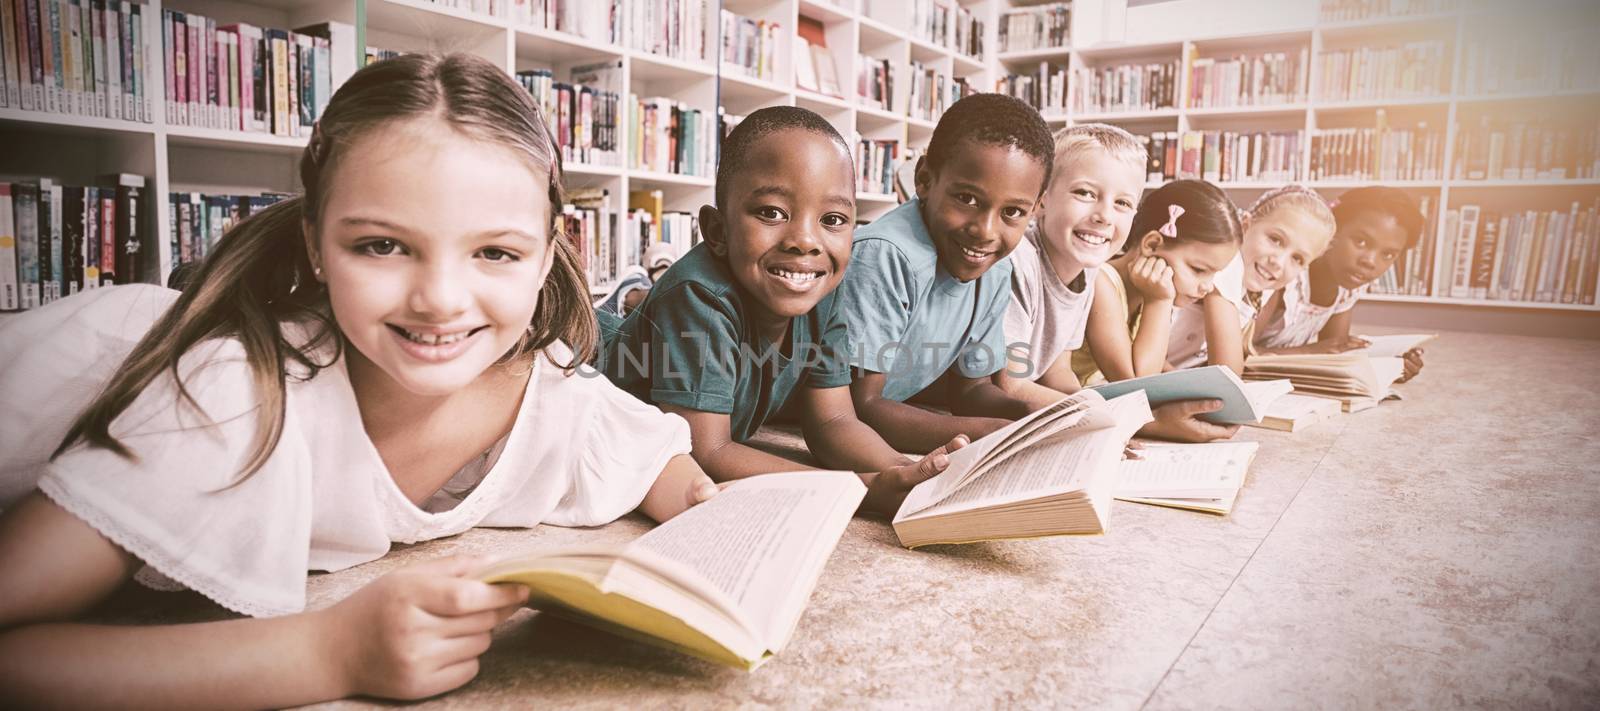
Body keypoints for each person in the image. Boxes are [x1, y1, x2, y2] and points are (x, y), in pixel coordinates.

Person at [0, 53, 718, 708]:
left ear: (547, 254)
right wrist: (329, 652)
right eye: (382, 245)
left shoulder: (555, 389)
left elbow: (661, 461)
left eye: (495, 252)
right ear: (315, 243)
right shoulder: (230, 389)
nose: (440, 298)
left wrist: (713, 508)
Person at [597, 106, 966, 516]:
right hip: (586, 357)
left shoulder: (820, 289)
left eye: (833, 219)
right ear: (718, 231)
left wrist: (904, 469)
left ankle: (636, 291)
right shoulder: (700, 296)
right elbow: (708, 451)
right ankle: (631, 296)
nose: (805, 241)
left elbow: (832, 423)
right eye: (772, 213)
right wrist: (856, 491)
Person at [834, 93, 1055, 453]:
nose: (985, 230)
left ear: (1036, 208)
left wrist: (1034, 415)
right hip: (806, 424)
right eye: (967, 199)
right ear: (924, 179)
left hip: (876, 421)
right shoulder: (887, 255)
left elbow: (971, 390)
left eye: (1013, 212)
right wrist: (993, 436)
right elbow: (861, 405)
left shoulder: (994, 270)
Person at [993, 123, 1148, 408]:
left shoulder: (1087, 271)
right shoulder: (1017, 263)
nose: (1104, 216)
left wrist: (1097, 411)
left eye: (1123, 203)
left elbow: (1057, 371)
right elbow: (1009, 386)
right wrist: (1098, 413)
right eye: (1085, 193)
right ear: (1041, 200)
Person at [1253, 186, 1428, 382]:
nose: (1370, 261)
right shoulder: (1284, 277)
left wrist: (1387, 368)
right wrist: (1310, 353)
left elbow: (1333, 352)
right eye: (1361, 242)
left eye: (1387, 254)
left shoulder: (1347, 285)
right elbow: (1239, 356)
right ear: (1332, 230)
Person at [1166, 185, 1336, 372]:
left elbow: (1240, 353)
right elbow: (1228, 371)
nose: (1278, 262)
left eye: (1297, 258)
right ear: (1245, 225)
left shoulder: (1261, 282)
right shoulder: (1228, 265)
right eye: (1275, 239)